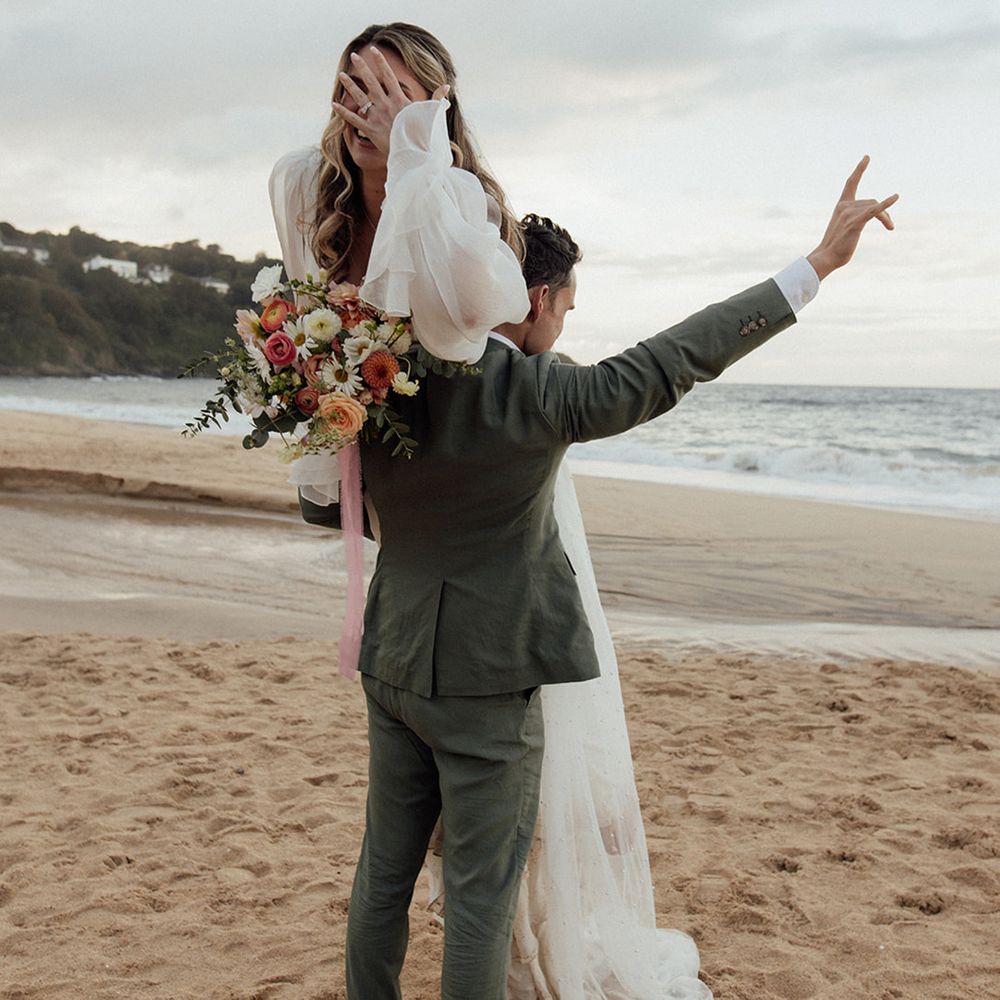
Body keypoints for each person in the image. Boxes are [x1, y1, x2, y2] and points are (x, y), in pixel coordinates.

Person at [270, 21, 898, 1000]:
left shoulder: (362, 374)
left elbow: (329, 503)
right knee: (477, 901)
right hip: (486, 685)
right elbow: (675, 360)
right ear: (505, 284)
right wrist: (814, 264)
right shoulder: (538, 401)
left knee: (382, 877)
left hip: (390, 658)